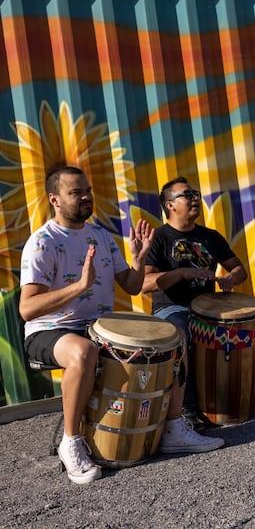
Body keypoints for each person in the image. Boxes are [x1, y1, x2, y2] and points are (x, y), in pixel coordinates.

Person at [19, 166, 224, 485]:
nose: (86, 196)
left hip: (97, 327)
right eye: (76, 192)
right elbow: (27, 308)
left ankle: (172, 428)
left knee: (175, 337)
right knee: (83, 352)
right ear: (54, 199)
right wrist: (79, 286)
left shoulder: (100, 236)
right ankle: (71, 442)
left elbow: (130, 285)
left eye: (87, 190)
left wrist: (139, 260)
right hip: (51, 331)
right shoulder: (43, 242)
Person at [143, 177, 255, 425]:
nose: (194, 198)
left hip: (209, 307)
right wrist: (180, 273)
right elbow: (144, 284)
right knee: (183, 333)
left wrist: (230, 278)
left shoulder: (210, 236)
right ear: (170, 205)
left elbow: (238, 269)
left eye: (195, 193)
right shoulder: (159, 238)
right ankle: (187, 407)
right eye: (186, 195)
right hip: (171, 308)